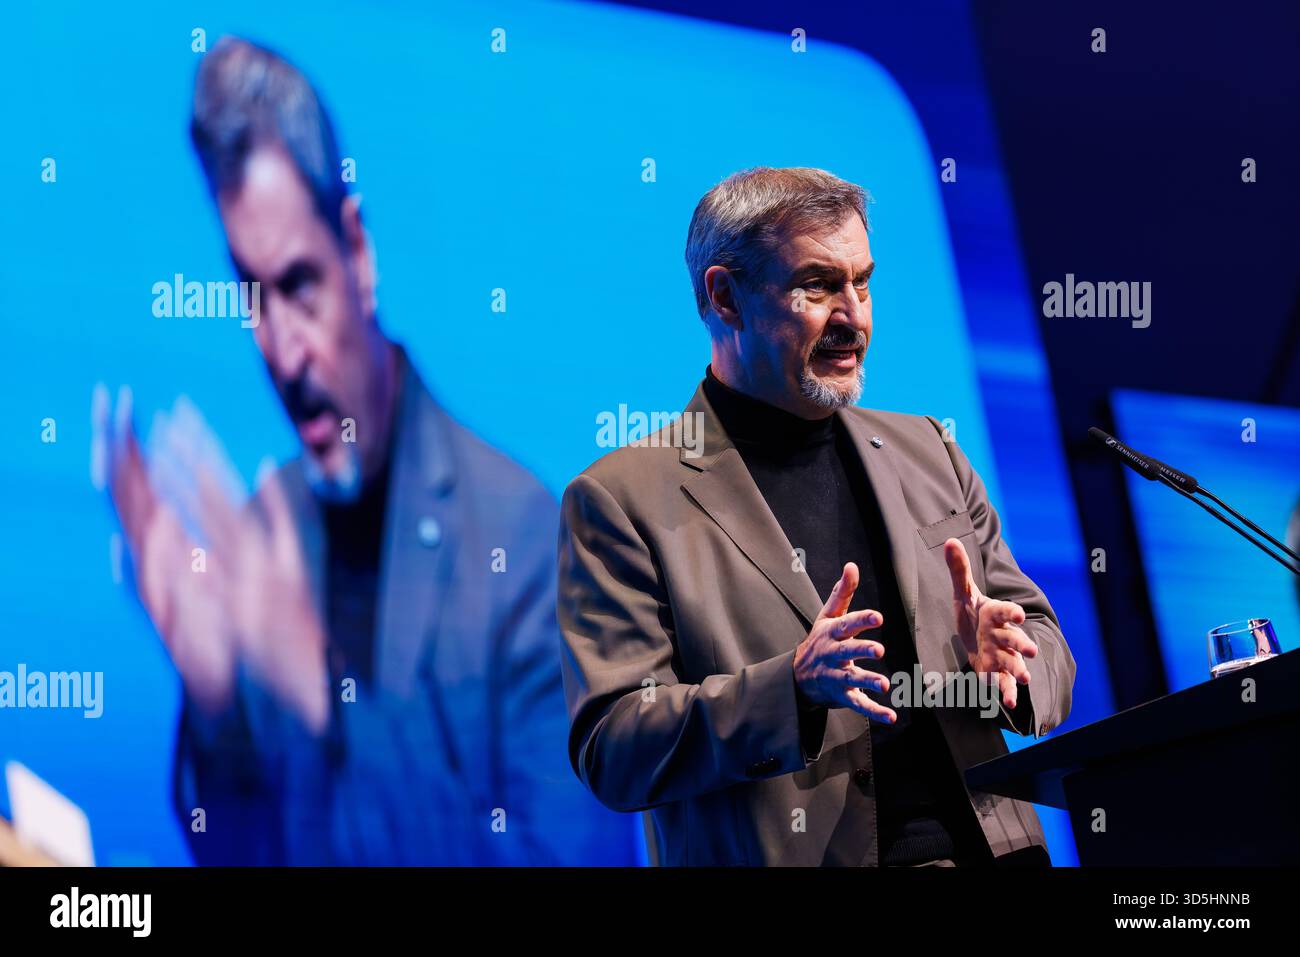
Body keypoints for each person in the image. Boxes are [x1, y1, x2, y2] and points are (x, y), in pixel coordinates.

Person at [101, 36, 635, 865]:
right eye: (251, 293)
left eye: (299, 285)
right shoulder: (266, 524)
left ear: (358, 251)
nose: (281, 350)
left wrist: (323, 703)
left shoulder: (536, 548)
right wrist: (219, 716)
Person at [557, 167, 1076, 866]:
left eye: (862, 283)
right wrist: (789, 690)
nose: (854, 315)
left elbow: (1043, 645)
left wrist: (1009, 668)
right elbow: (614, 745)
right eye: (818, 285)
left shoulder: (930, 451)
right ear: (725, 296)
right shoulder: (621, 500)